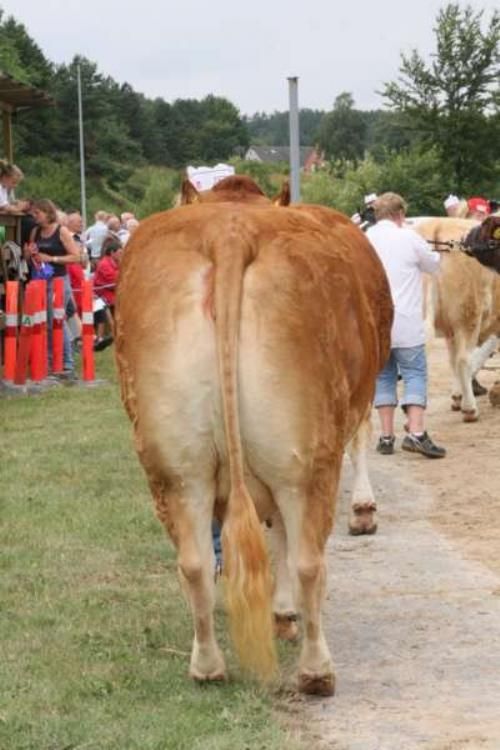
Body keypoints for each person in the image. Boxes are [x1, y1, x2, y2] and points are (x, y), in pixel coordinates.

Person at [366, 192, 446, 458]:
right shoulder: (409, 237)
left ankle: (386, 437)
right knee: (414, 373)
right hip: (406, 321)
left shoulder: (366, 239)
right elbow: (434, 265)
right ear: (400, 214)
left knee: (384, 376)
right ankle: (417, 433)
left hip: (377, 324)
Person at [24, 199, 81, 376]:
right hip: (41, 279)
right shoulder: (35, 232)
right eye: (33, 214)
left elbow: (76, 257)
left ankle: (67, 362)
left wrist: (52, 259)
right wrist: (29, 254)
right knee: (45, 321)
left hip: (59, 280)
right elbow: (30, 258)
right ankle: (50, 360)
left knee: (57, 319)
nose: (35, 218)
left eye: (37, 214)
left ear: (48, 213)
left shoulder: (61, 231)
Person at [92, 236, 123, 350]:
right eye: (120, 253)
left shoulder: (115, 262)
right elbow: (115, 280)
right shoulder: (104, 264)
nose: (121, 255)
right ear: (112, 253)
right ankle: (113, 335)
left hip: (112, 293)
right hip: (102, 294)